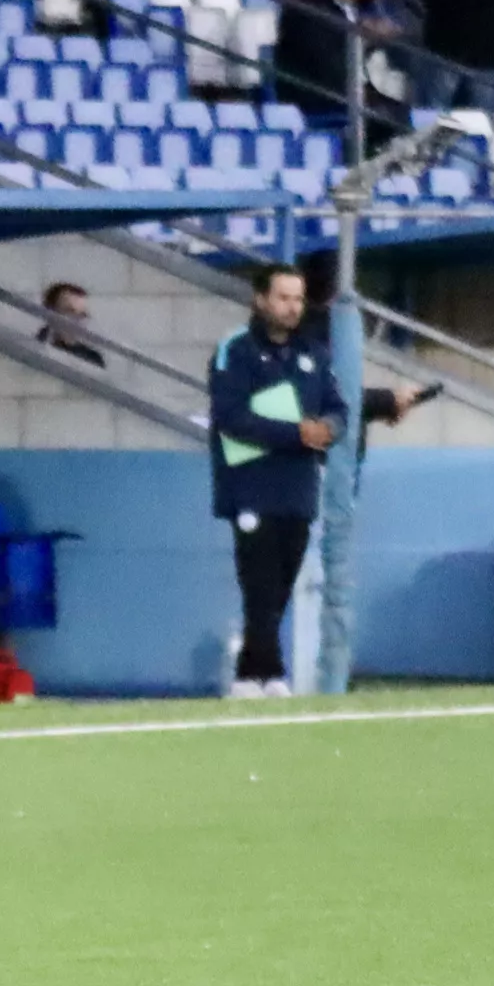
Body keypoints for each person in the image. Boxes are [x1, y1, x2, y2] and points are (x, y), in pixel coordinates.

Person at [209, 263, 347, 695]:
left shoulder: (314, 355)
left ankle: (252, 673)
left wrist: (330, 429)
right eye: (283, 297)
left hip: (298, 488)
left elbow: (339, 408)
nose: (292, 307)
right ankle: (271, 673)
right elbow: (231, 418)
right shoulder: (235, 351)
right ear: (261, 299)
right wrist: (295, 433)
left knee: (283, 581)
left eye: (298, 299)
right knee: (259, 582)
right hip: (251, 485)